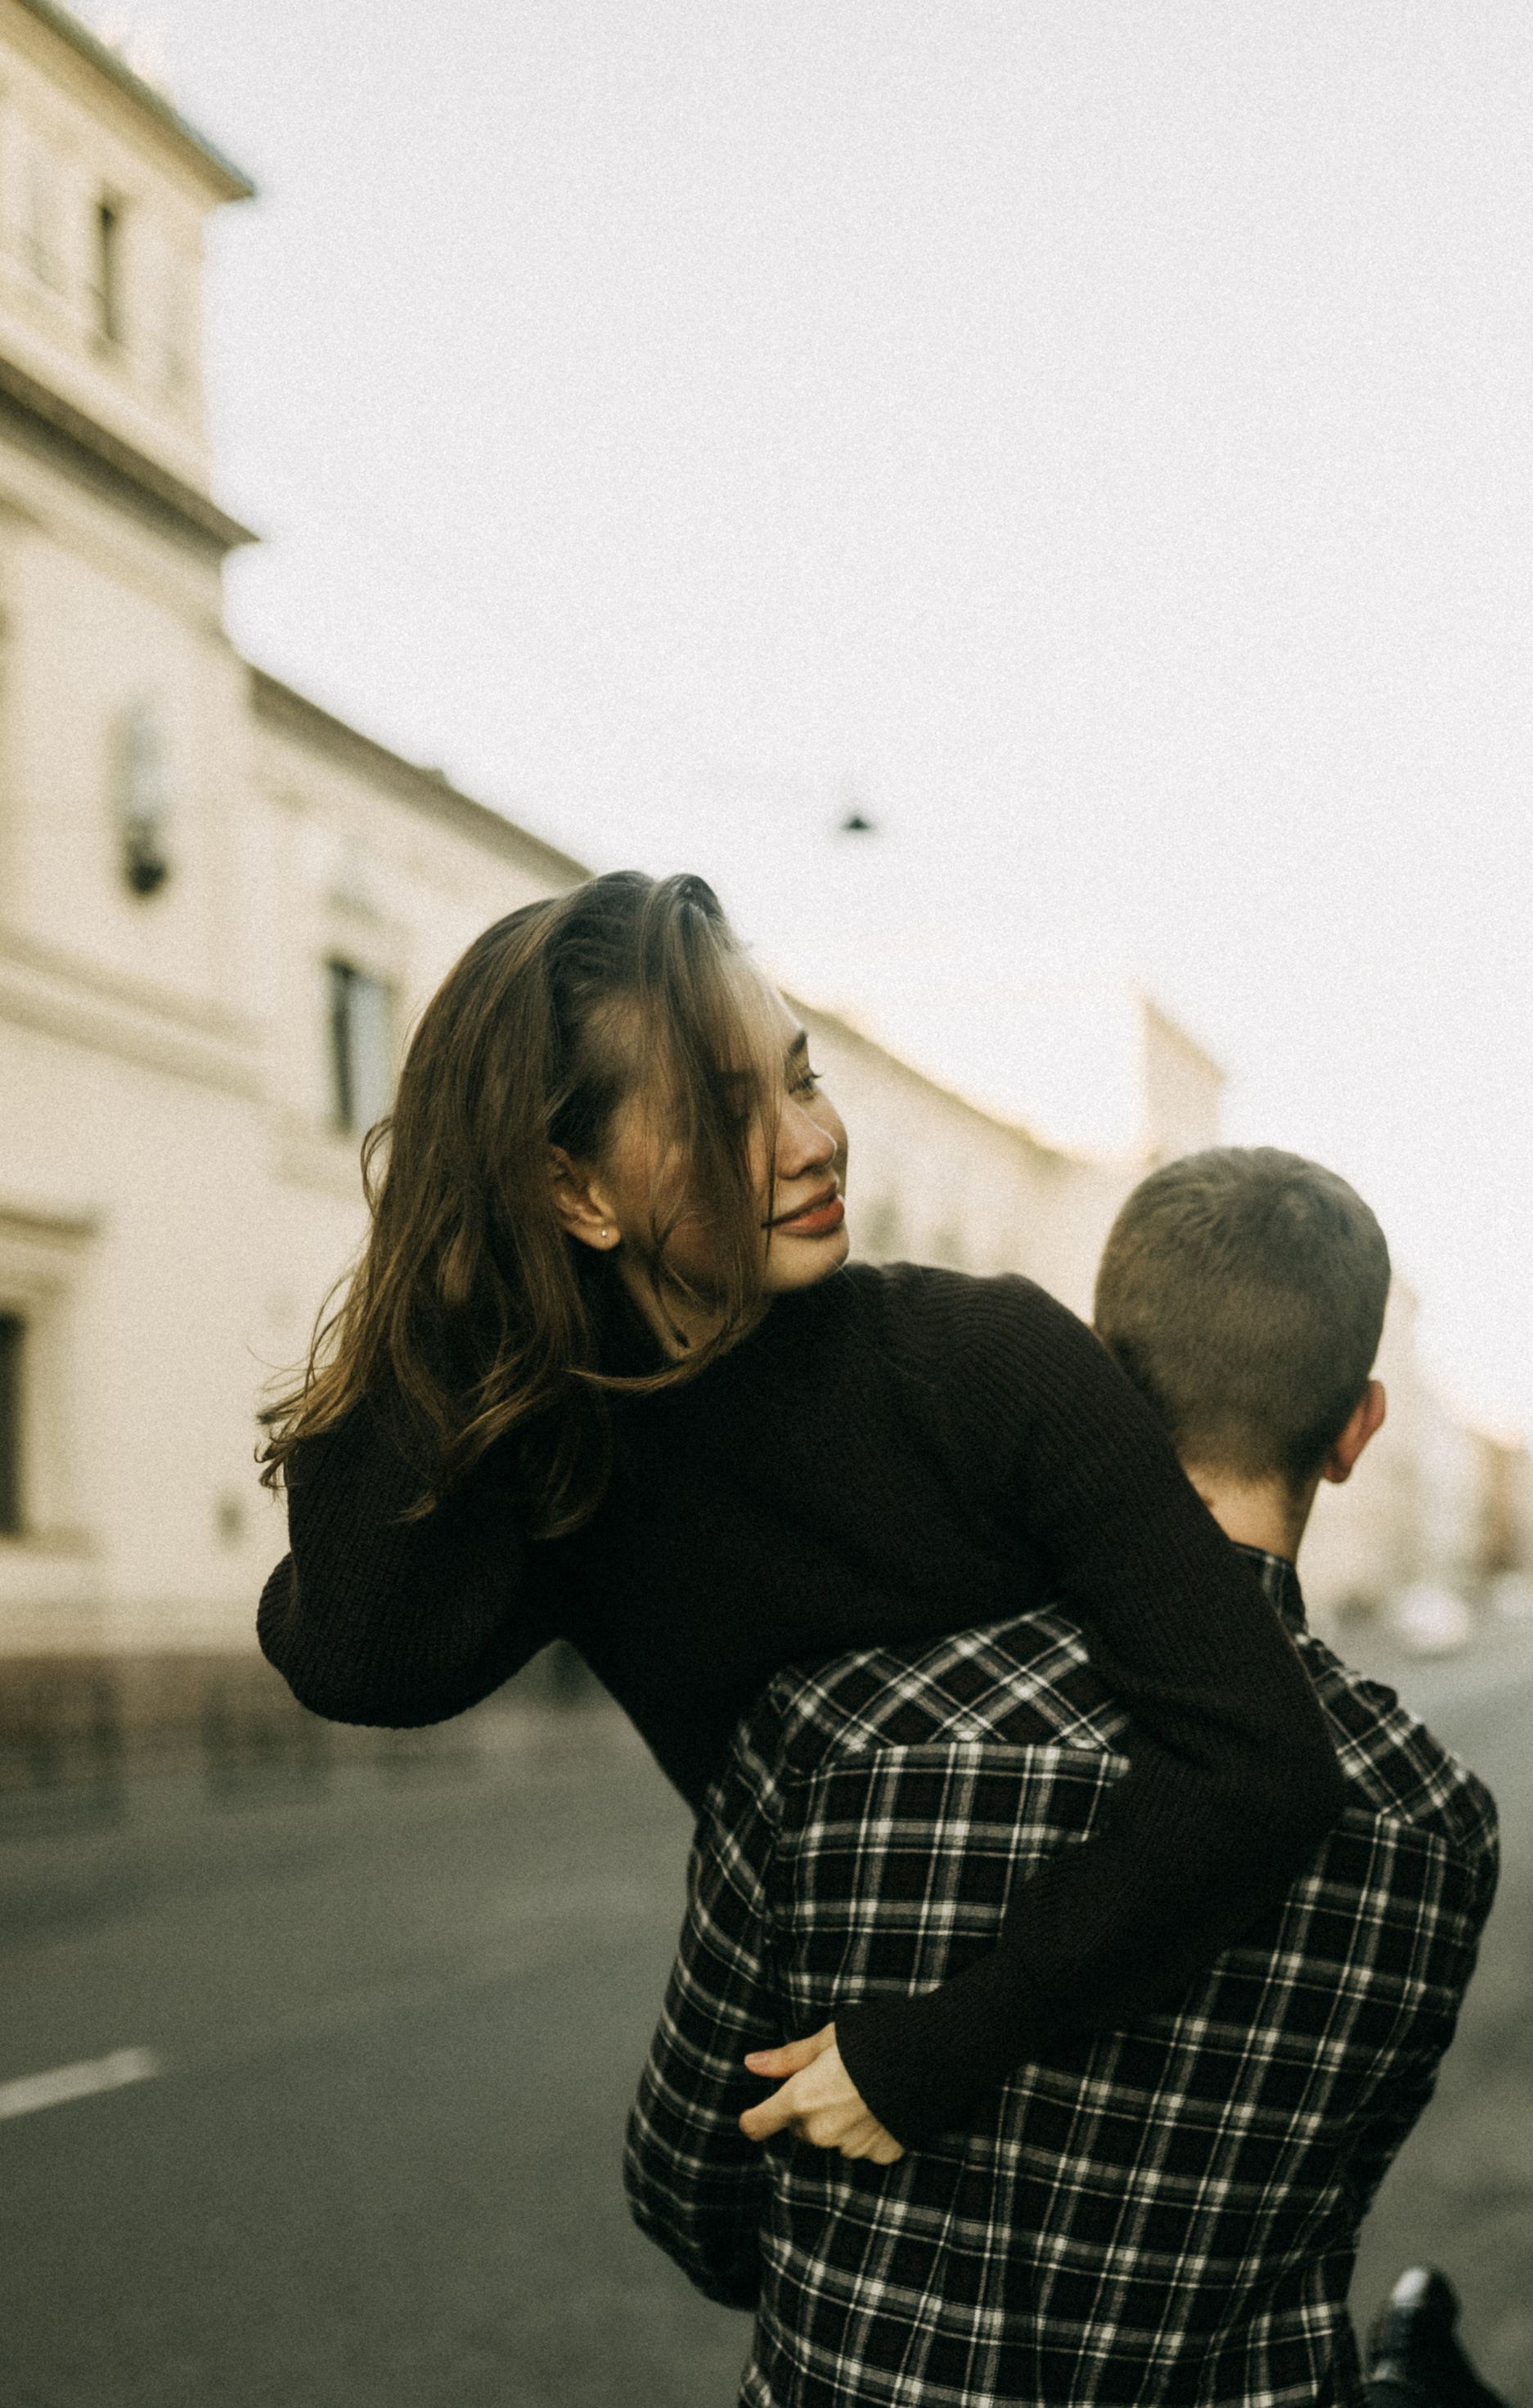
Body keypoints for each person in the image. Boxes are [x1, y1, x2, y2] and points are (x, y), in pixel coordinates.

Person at [627, 1146, 1509, 2408]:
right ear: (1356, 1433)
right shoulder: (1426, 1827)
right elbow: (1304, 2204)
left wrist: (889, 2269)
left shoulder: (842, 1729)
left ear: (1087, 1387)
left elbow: (693, 2186)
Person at [255, 871, 1344, 2158]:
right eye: (727, 1115)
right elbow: (359, 1658)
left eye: (803, 1079)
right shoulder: (572, 1467)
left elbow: (1264, 1760)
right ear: (577, 1191)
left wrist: (943, 2040)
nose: (814, 1141)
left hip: (1128, 2078)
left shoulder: (983, 1362)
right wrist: (442, 1270)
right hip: (856, 2148)